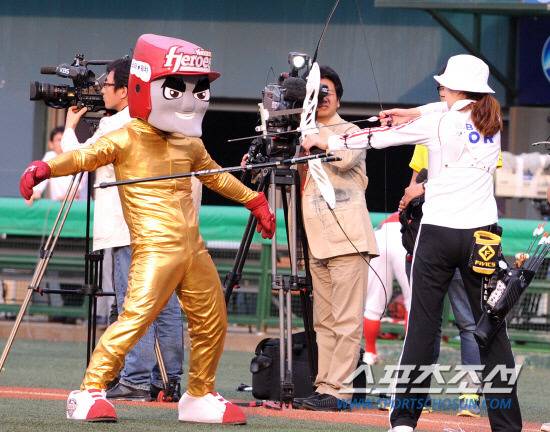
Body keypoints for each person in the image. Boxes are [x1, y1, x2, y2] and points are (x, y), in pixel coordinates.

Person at [20, 34, 275, 424]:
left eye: (198, 89)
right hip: (154, 247)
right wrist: (44, 168)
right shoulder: (124, 136)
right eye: (177, 88)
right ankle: (89, 390)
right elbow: (86, 156)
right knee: (135, 317)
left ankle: (199, 393)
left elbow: (216, 177)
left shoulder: (188, 141)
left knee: (213, 319)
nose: (191, 99)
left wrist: (255, 201)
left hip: (193, 247)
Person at [303, 54, 521, 432]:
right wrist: (412, 112)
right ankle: (507, 426)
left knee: (422, 328)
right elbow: (447, 109)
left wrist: (325, 138)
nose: (440, 90)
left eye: (443, 85)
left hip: (437, 235)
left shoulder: (440, 120)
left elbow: (376, 139)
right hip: (481, 237)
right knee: (491, 328)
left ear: (454, 88)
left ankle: (404, 420)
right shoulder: (489, 119)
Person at [61, 57, 200, 402]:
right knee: (165, 307)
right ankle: (167, 382)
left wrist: (69, 125)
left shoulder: (117, 126)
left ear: (125, 91)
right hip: (165, 230)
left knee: (132, 306)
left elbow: (74, 159)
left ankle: (135, 380)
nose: (102, 92)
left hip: (127, 231)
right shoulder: (160, 121)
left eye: (107, 86)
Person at [296, 66, 378, 411]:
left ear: (338, 97)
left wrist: (318, 139)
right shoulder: (302, 133)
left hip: (348, 240)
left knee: (346, 321)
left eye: (327, 91)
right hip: (317, 241)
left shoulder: (350, 131)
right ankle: (324, 386)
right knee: (323, 322)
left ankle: (339, 391)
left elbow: (344, 159)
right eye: (317, 93)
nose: (323, 98)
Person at [363, 212, 411, 366]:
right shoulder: (426, 204)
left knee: (373, 303)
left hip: (379, 236)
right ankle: (409, 354)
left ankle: (369, 353)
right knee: (413, 300)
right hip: (405, 235)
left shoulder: (393, 214)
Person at [25, 126, 87, 205]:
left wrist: (66, 197)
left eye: (65, 140)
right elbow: (39, 178)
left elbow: (76, 191)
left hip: (79, 208)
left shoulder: (80, 157)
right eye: (59, 140)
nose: (62, 143)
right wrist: (35, 192)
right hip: (58, 207)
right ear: (51, 144)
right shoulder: (50, 157)